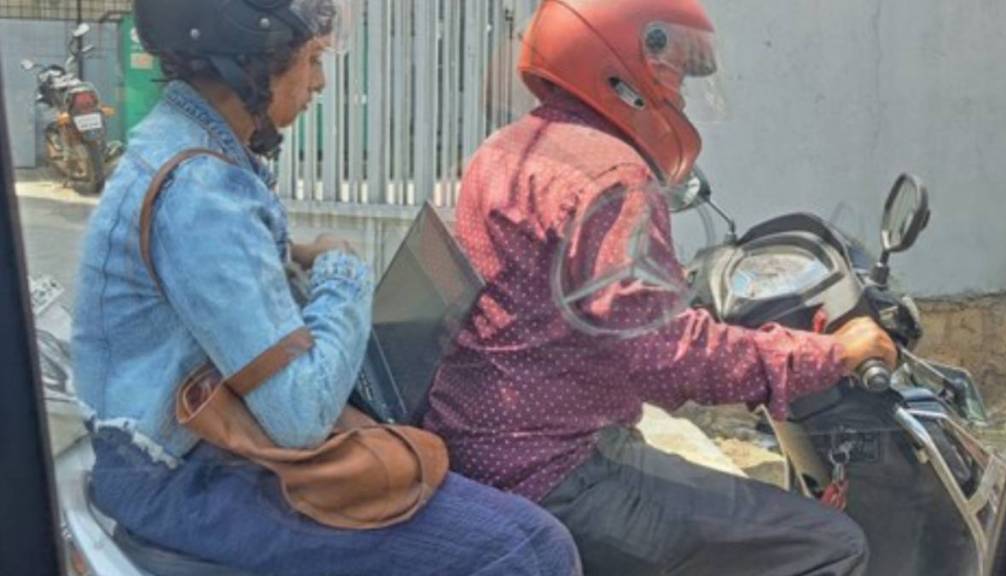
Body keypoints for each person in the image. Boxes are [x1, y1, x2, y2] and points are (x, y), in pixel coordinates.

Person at [72, 1, 581, 574]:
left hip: (189, 453)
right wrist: (343, 271)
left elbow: (213, 288)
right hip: (182, 476)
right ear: (250, 64)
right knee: (518, 550)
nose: (319, 82)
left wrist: (291, 260)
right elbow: (300, 415)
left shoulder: (189, 148)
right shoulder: (200, 192)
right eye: (311, 60)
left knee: (540, 539)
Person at [424, 0, 898, 574]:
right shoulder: (612, 178)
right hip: (558, 468)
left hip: (483, 442)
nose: (677, 92)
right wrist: (827, 354)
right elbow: (664, 354)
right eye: (670, 68)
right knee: (829, 544)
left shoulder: (503, 151)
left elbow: (578, 303)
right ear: (618, 66)